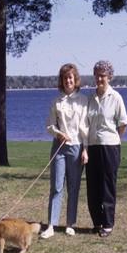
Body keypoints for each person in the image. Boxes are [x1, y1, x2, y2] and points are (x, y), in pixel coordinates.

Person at [41, 63, 89, 239]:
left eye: (71, 77)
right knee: (57, 186)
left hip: (77, 148)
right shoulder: (56, 102)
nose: (68, 80)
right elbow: (49, 125)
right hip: (59, 148)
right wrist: (59, 134)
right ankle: (51, 225)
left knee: (74, 187)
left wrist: (85, 150)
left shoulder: (84, 100)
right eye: (65, 78)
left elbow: (85, 128)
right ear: (61, 81)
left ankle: (70, 224)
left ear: (75, 79)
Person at [85, 60, 127, 238]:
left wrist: (115, 138)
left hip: (110, 147)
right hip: (92, 146)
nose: (99, 78)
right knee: (93, 187)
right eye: (97, 75)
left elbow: (123, 123)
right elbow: (85, 124)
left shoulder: (116, 97)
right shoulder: (90, 98)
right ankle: (97, 222)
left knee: (107, 187)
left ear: (109, 77)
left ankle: (108, 223)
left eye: (103, 75)